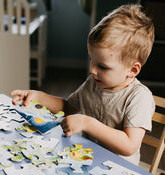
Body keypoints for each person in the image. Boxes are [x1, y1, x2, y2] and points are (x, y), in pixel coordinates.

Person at [11, 4, 155, 165]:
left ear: (132, 70)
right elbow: (67, 108)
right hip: (86, 159)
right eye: (92, 60)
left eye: (102, 66)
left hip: (118, 171)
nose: (92, 69)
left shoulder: (139, 97)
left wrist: (87, 123)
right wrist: (38, 96)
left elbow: (129, 146)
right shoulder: (93, 83)